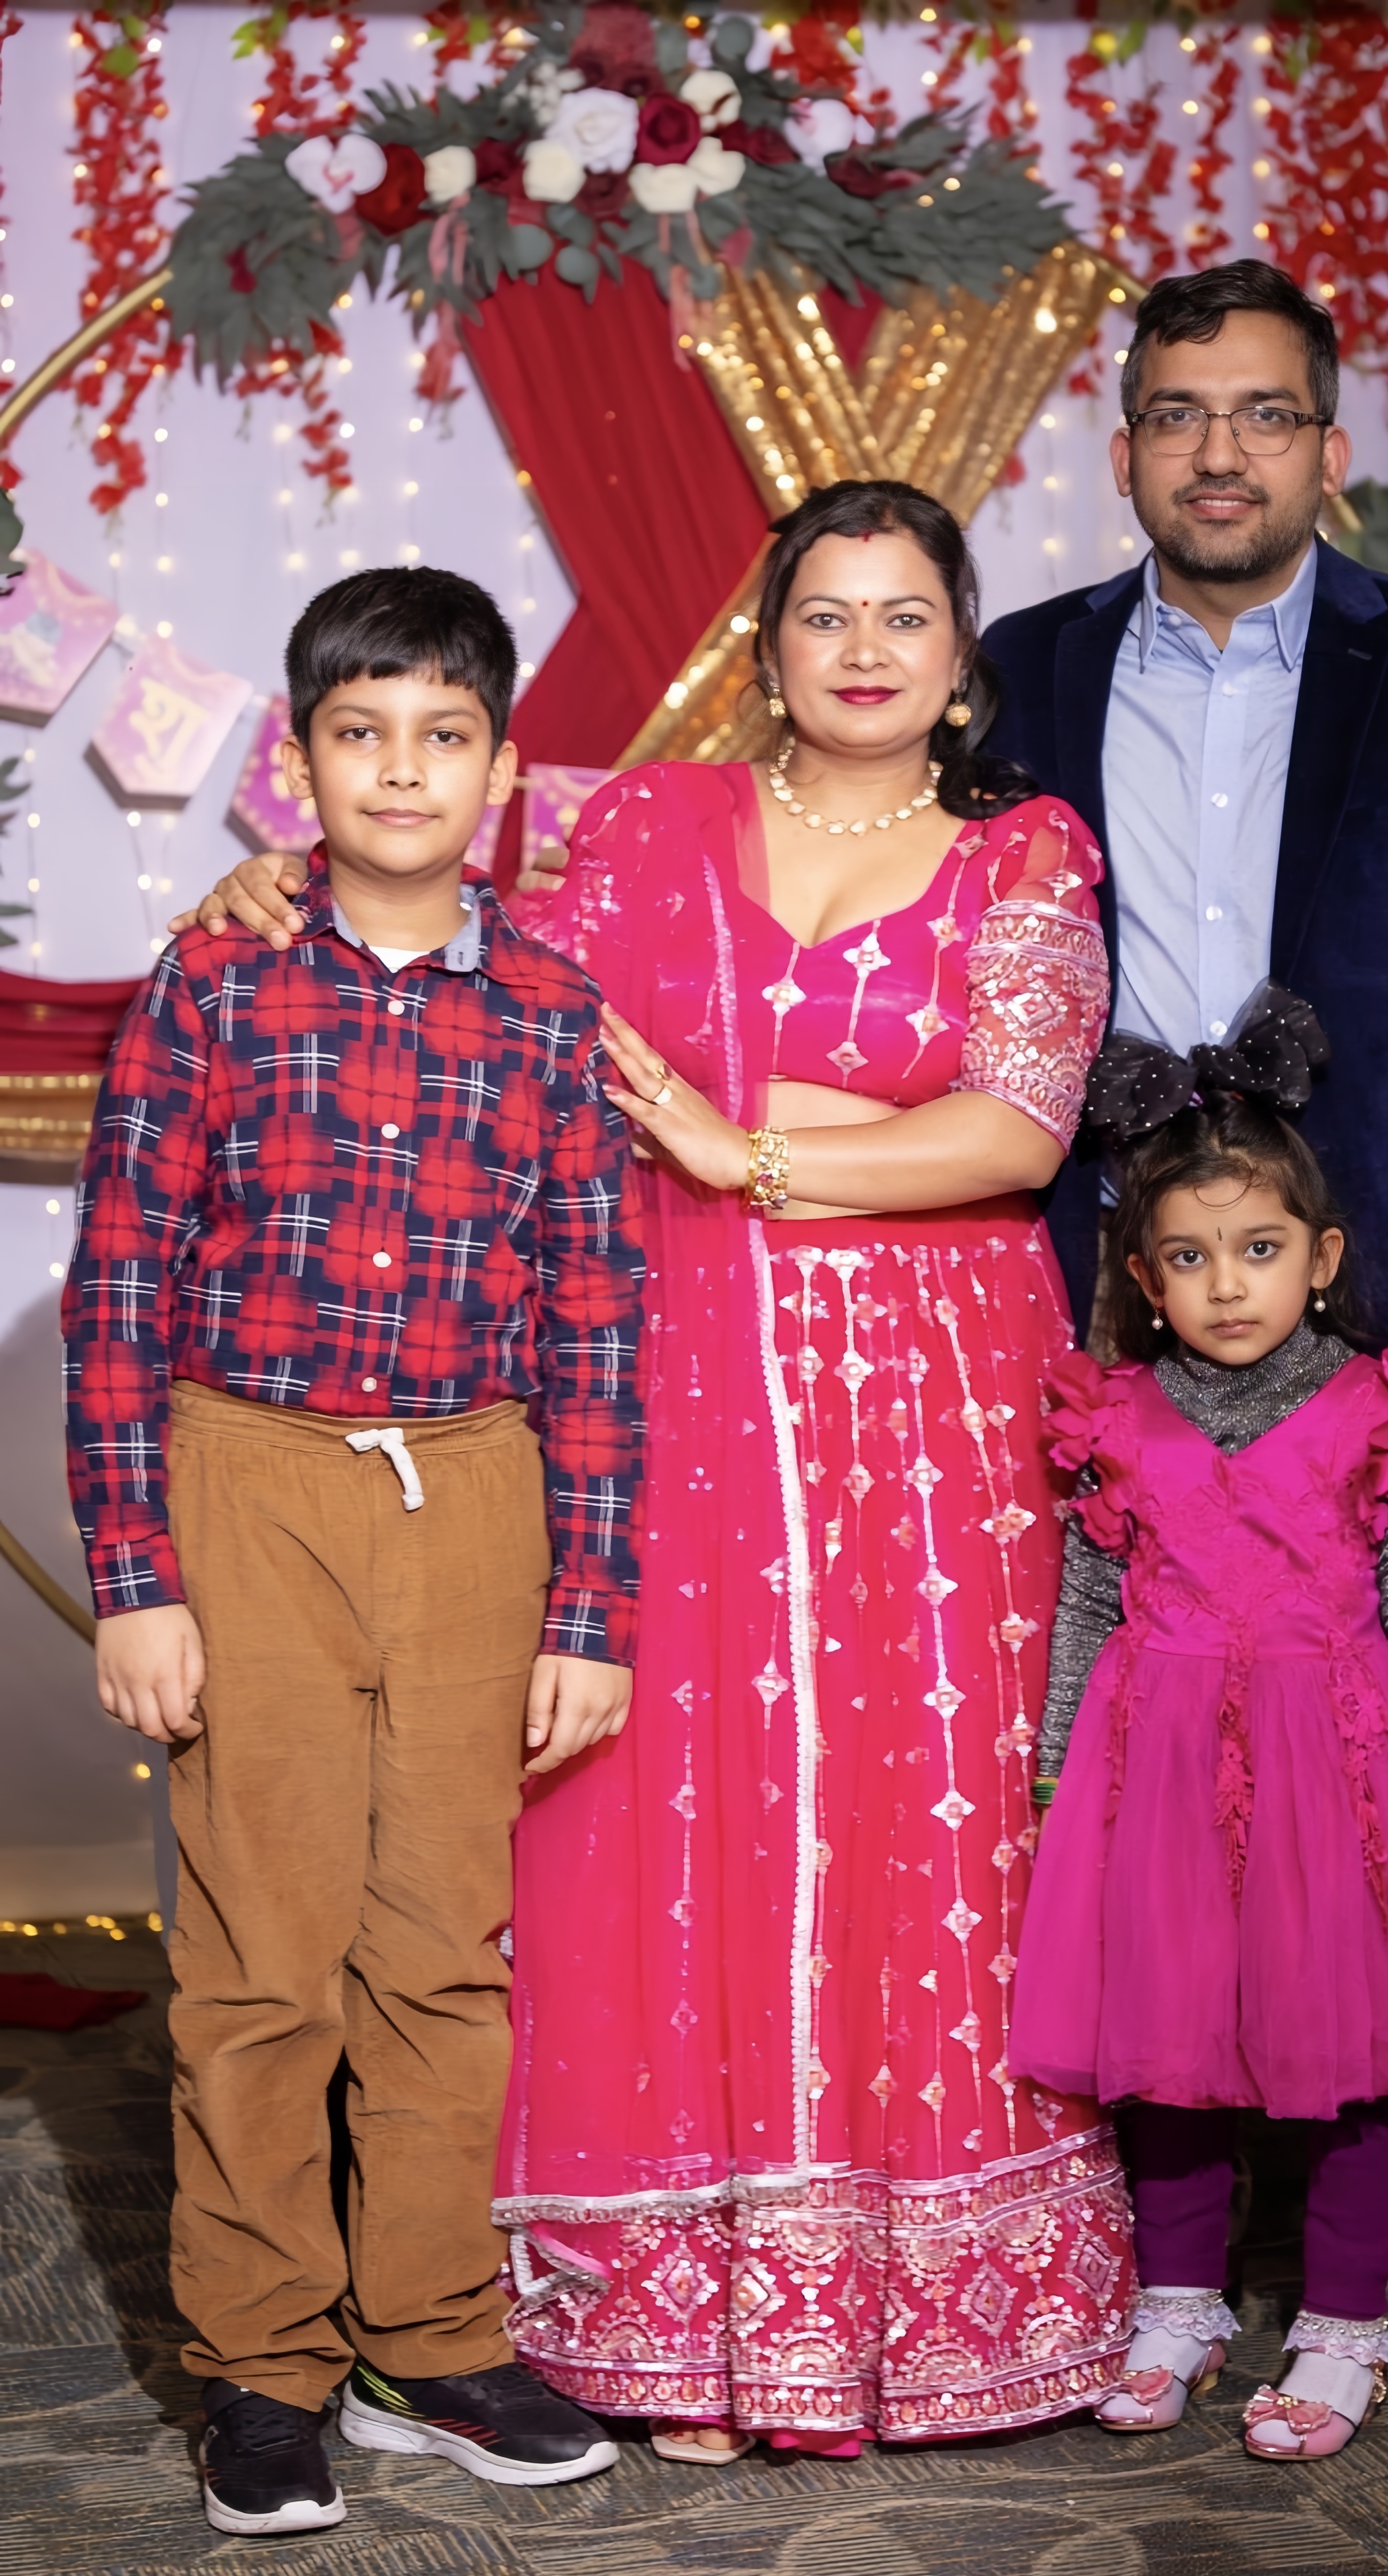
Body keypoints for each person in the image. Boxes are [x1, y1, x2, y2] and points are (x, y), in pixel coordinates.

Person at [173, 480, 1131, 2458]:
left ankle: (901, 2316)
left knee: (922, 1819)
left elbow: (1019, 1129)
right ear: (765, 649)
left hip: (930, 1425)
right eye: (823, 615)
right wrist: (271, 885)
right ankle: (659, 2320)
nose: (862, 650)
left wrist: (736, 1148)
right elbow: (476, 979)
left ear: (960, 656)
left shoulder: (1022, 848)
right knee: (651, 1805)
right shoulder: (644, 825)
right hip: (666, 1371)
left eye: (904, 616)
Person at [982, 260, 1388, 2399]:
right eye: (1180, 411)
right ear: (1124, 447)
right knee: (1128, 1755)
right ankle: (1123, 2218)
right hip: (1110, 1310)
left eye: (1262, 412)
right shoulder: (1021, 668)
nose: (1220, 450)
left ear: (1327, 449)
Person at [65, 568, 643, 2535]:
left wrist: (588, 1608)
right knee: (261, 1960)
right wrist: (136, 1571)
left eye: (443, 734)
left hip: (478, 1496)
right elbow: (121, 1285)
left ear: (503, 767)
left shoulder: (553, 1009)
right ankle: (263, 2365)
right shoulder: (215, 984)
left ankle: (431, 2334)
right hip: (253, 1489)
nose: (403, 769)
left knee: (440, 1958)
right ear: (298, 764)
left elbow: (595, 1322)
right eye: (361, 733)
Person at [1010, 1012, 1388, 2458]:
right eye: (1187, 1258)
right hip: (1160, 1777)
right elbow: (1086, 1605)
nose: (1225, 1284)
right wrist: (1057, 1777)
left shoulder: (1376, 1408)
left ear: (1320, 1257)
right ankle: (1179, 2303)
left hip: (1344, 1778)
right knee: (1166, 2048)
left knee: (1359, 2056)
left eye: (1257, 1249)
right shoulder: (1117, 1416)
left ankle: (1344, 2325)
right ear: (1143, 1277)